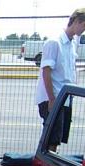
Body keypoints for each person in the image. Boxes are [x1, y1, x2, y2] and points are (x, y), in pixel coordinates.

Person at [35, 8, 85, 151]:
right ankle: (44, 164)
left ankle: (48, 163)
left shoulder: (72, 43)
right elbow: (46, 72)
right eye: (84, 26)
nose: (84, 30)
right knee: (51, 138)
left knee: (56, 139)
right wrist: (52, 99)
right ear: (76, 21)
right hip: (54, 97)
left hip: (65, 98)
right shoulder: (54, 42)